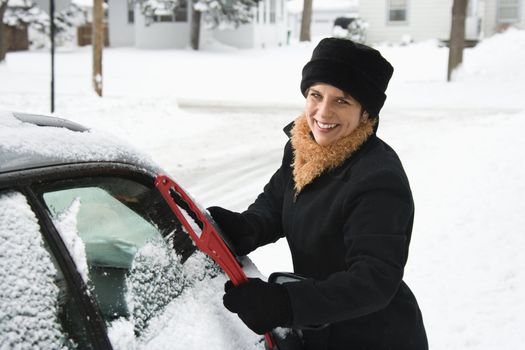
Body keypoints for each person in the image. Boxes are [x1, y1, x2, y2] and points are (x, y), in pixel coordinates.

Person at [208, 37, 428, 350]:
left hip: (375, 336)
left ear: (366, 113)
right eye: (316, 95)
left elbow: (374, 280)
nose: (323, 113)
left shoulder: (379, 179)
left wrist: (286, 303)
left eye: (342, 100)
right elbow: (277, 201)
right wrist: (249, 227)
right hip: (323, 329)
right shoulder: (303, 148)